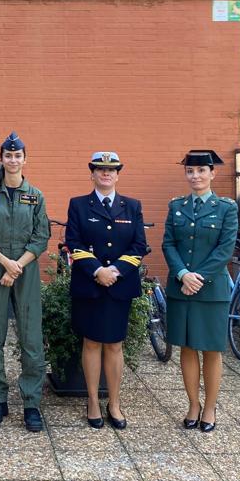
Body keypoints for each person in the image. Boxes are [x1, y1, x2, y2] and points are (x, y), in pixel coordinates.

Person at [0, 132, 50, 432]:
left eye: (18, 156)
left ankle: (31, 403)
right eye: (8, 155)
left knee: (31, 338)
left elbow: (41, 236)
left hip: (26, 270)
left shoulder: (36, 196)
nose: (13, 160)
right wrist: (6, 263)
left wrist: (17, 266)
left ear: (25, 159)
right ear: (2, 159)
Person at [65, 151, 147, 430]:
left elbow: (138, 246)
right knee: (91, 342)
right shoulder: (78, 205)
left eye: (111, 170)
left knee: (114, 344)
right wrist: (97, 270)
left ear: (118, 174)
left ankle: (114, 402)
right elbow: (73, 243)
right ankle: (91, 401)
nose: (106, 173)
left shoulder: (132, 206)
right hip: (90, 285)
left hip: (119, 286)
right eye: (100, 169)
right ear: (92, 173)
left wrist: (116, 271)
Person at [162, 150, 238, 433]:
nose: (195, 176)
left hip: (210, 290)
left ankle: (210, 407)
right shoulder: (176, 206)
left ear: (212, 173)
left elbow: (225, 248)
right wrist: (182, 274)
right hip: (181, 288)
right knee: (188, 346)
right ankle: (193, 404)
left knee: (212, 350)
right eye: (190, 172)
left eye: (201, 171)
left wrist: (198, 277)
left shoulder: (227, 207)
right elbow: (168, 244)